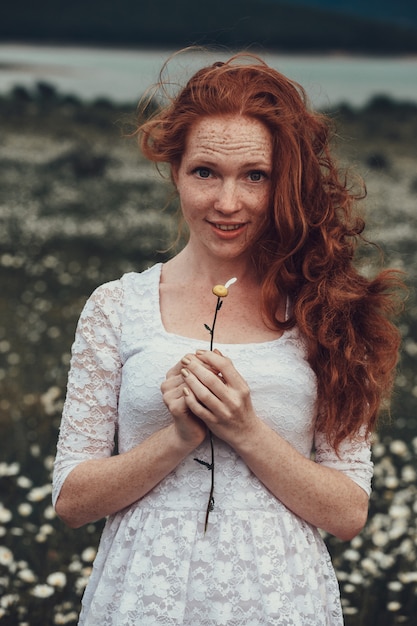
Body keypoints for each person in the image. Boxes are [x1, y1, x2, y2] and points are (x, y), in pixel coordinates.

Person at [52, 51, 404, 625]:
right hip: (144, 594)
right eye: (205, 172)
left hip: (279, 597)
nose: (227, 202)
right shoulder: (116, 307)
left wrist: (245, 429)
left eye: (255, 176)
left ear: (284, 182)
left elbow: (348, 512)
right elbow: (72, 500)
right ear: (176, 171)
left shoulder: (327, 310)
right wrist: (177, 439)